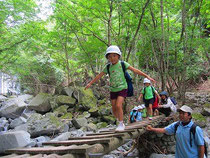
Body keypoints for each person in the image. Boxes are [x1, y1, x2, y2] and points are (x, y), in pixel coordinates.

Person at [85, 45, 155, 131]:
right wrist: (90, 83)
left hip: (122, 88)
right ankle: (118, 121)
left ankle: (121, 123)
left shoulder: (122, 64)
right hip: (113, 89)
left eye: (114, 55)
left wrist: (146, 76)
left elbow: (135, 70)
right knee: (114, 108)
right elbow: (99, 76)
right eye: (110, 56)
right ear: (107, 58)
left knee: (118, 105)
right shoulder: (108, 67)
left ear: (118, 56)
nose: (112, 58)